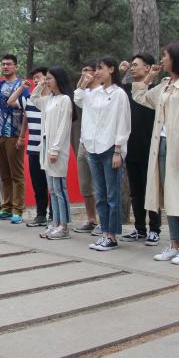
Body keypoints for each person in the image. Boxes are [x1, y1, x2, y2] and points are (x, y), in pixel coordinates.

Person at [132, 42, 179, 265]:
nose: (162, 60)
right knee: (170, 196)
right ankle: (174, 244)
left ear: (176, 58)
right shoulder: (165, 85)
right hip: (161, 145)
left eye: (165, 56)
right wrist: (149, 77)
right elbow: (140, 96)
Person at [75, 56, 131, 251]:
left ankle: (112, 236)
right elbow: (78, 98)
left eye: (101, 68)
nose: (96, 72)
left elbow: (123, 123)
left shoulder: (119, 94)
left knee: (112, 194)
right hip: (93, 148)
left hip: (110, 148)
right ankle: (104, 231)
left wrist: (118, 150)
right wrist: (84, 82)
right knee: (100, 194)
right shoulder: (94, 93)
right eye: (96, 68)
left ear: (112, 69)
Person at [29, 66, 76, 240]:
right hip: (46, 148)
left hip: (57, 149)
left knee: (59, 189)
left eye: (49, 78)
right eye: (46, 78)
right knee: (52, 189)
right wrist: (40, 85)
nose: (46, 81)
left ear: (58, 79)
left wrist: (55, 149)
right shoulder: (48, 99)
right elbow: (33, 98)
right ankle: (55, 223)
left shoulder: (65, 100)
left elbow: (64, 127)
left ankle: (64, 226)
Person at [118, 53, 160, 246]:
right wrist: (121, 73)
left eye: (136, 65)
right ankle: (140, 228)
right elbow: (112, 91)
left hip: (150, 147)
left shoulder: (155, 90)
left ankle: (155, 229)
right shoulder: (127, 90)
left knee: (151, 190)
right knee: (136, 191)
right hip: (131, 147)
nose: (132, 68)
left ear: (148, 68)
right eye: (131, 65)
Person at [0, 55, 30, 224]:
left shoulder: (22, 86)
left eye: (9, 64)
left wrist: (22, 135)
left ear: (15, 67)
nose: (5, 67)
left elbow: (27, 112)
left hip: (14, 135)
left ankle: (18, 210)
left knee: (16, 174)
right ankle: (6, 208)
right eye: (3, 64)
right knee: (4, 174)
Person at [8, 67, 51, 227]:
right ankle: (41, 215)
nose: (36, 80)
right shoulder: (29, 99)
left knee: (52, 184)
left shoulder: (54, 98)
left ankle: (55, 216)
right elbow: (11, 102)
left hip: (49, 148)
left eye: (38, 77)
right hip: (33, 147)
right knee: (38, 184)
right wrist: (21, 87)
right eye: (34, 78)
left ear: (47, 78)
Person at [71, 61, 100, 235]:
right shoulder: (86, 93)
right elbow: (77, 98)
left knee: (100, 185)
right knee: (85, 185)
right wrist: (82, 83)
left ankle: (105, 221)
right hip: (84, 143)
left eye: (87, 70)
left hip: (98, 145)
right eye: (82, 71)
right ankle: (91, 219)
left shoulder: (103, 92)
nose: (84, 74)